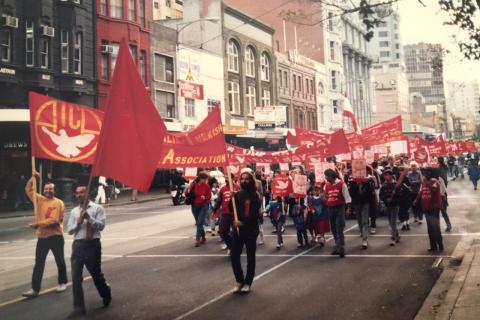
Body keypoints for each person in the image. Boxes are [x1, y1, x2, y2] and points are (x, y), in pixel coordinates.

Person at [67, 185, 111, 318]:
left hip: (92, 245)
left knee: (96, 274)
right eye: (77, 193)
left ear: (88, 194)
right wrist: (78, 223)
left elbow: (101, 226)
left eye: (82, 192)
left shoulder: (98, 208)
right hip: (78, 246)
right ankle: (79, 308)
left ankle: (105, 293)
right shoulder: (74, 211)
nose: (79, 195)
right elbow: (69, 230)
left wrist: (89, 218)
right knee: (75, 278)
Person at [22, 172, 68, 298]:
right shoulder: (39, 200)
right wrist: (33, 178)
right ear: (43, 190)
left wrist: (38, 224)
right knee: (39, 263)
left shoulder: (59, 203)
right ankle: (34, 289)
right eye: (46, 189)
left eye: (51, 189)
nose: (48, 191)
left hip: (56, 236)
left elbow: (54, 220)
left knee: (60, 261)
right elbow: (28, 189)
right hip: (42, 237)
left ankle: (63, 282)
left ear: (55, 190)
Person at [229, 171, 261, 294]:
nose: (244, 181)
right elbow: (232, 209)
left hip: (250, 230)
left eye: (246, 179)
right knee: (234, 256)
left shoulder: (255, 195)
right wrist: (231, 198)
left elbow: (254, 213)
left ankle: (248, 282)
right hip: (237, 230)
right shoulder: (238, 194)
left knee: (250, 257)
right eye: (242, 179)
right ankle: (239, 280)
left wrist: (243, 222)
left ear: (251, 181)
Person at [324, 169, 351, 258]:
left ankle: (341, 248)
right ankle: (337, 246)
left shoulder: (342, 184)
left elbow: (347, 197)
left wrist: (348, 209)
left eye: (326, 176)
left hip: (339, 208)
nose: (325, 178)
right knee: (334, 229)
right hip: (330, 208)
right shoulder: (326, 186)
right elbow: (325, 197)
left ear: (330, 176)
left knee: (339, 228)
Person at [416, 168, 444, 252]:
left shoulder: (435, 181)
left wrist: (428, 183)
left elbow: (433, 189)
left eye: (426, 172)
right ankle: (433, 246)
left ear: (430, 173)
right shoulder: (423, 181)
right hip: (426, 207)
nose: (424, 174)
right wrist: (416, 200)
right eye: (423, 172)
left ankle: (440, 245)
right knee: (430, 228)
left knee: (436, 227)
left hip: (434, 207)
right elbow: (421, 191)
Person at [348, 170, 375, 249]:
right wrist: (357, 187)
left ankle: (365, 239)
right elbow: (351, 194)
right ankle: (362, 232)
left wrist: (362, 189)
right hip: (357, 203)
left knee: (365, 221)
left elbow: (370, 194)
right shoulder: (352, 183)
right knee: (359, 220)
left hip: (365, 203)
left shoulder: (367, 182)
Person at [213, 175, 240, 254]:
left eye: (228, 177)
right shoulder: (223, 189)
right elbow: (219, 201)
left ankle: (235, 247)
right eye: (226, 178)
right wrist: (214, 210)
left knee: (236, 232)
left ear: (233, 179)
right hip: (225, 213)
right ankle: (231, 246)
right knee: (222, 232)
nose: (226, 179)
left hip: (235, 214)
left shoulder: (238, 188)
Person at [185, 171, 212, 247]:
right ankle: (203, 237)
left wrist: (205, 197)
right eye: (205, 179)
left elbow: (209, 196)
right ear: (201, 178)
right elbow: (186, 194)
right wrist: (188, 189)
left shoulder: (206, 186)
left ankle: (197, 239)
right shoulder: (193, 184)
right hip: (194, 206)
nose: (206, 180)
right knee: (198, 222)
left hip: (204, 206)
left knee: (200, 223)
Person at [379, 169, 400, 246]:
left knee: (393, 222)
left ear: (391, 175)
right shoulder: (384, 185)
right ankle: (397, 235)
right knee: (390, 222)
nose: (386, 176)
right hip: (387, 205)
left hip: (395, 205)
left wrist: (393, 199)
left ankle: (393, 238)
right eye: (385, 175)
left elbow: (399, 195)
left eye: (387, 174)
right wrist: (386, 199)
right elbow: (381, 195)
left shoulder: (396, 184)